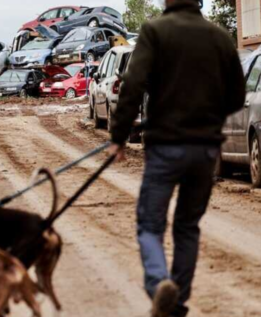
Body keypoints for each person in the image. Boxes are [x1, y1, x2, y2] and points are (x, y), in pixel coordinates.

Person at [108, 0, 246, 316]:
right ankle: (177, 301)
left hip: (165, 147)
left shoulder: (155, 32)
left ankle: (159, 287)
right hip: (205, 149)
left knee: (150, 225)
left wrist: (118, 137)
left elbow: (132, 85)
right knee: (187, 226)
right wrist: (208, 118)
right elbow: (237, 96)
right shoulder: (219, 36)